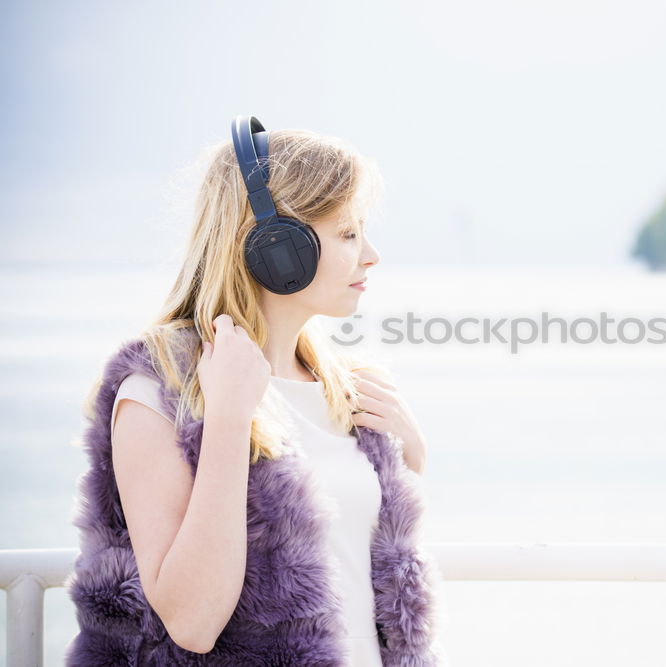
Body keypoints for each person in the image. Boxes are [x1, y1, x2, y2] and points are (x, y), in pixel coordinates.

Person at [64, 117, 446, 665]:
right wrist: (226, 421)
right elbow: (192, 621)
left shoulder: (350, 390)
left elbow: (368, 579)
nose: (371, 255)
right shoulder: (159, 390)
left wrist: (410, 456)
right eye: (347, 232)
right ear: (277, 247)